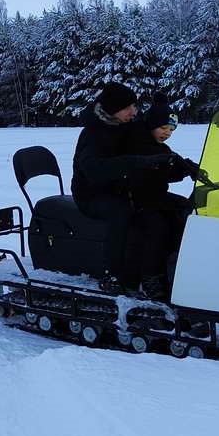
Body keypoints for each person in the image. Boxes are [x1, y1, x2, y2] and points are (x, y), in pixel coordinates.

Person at [71, 82, 176, 294]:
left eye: (135, 106)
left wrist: (175, 163)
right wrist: (134, 162)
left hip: (120, 187)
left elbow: (146, 146)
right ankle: (113, 275)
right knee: (121, 212)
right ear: (112, 108)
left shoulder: (126, 126)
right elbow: (93, 169)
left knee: (167, 208)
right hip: (92, 194)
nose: (134, 111)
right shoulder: (93, 133)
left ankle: (165, 270)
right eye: (128, 107)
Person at [127, 96, 199, 301]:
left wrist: (187, 168)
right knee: (158, 226)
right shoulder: (136, 143)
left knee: (188, 211)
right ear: (151, 123)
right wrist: (168, 166)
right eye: (164, 128)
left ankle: (179, 268)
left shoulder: (158, 145)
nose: (167, 133)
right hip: (135, 198)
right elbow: (145, 172)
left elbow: (167, 167)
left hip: (154, 195)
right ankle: (149, 277)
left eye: (171, 130)